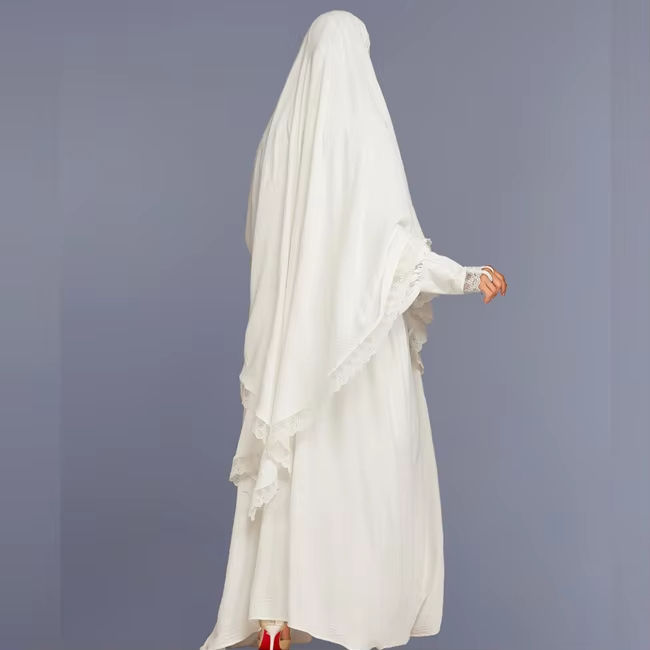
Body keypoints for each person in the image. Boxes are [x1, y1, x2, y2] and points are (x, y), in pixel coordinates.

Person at [200, 9, 507, 650]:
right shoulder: (362, 132)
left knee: (297, 475)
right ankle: (362, 624)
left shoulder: (277, 142)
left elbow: (261, 241)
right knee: (366, 489)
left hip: (294, 352)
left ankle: (276, 621)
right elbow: (394, 253)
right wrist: (465, 275)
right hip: (358, 356)